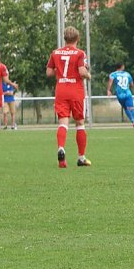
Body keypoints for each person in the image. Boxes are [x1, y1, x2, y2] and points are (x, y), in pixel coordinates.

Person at [46, 26, 92, 168]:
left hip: (61, 89)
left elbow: (48, 73)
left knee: (63, 123)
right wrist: (89, 75)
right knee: (80, 123)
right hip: (76, 91)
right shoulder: (80, 53)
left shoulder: (55, 53)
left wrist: (60, 71)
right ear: (77, 39)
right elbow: (82, 71)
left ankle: (61, 148)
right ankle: (81, 157)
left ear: (65, 38)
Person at [107, 62, 134, 128]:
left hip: (120, 95)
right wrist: (130, 88)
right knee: (131, 108)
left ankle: (133, 121)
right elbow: (132, 85)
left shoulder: (113, 74)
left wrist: (108, 90)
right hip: (128, 93)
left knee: (125, 108)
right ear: (122, 67)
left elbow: (110, 82)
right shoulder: (127, 74)